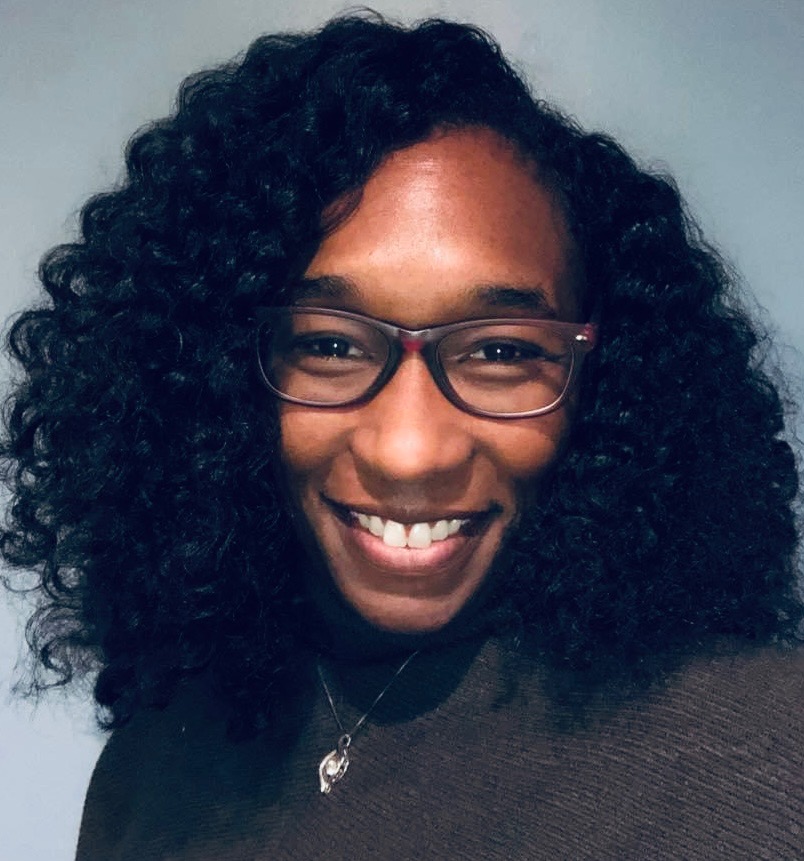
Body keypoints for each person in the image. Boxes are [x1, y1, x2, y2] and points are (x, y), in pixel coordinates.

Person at [2, 13, 803, 860]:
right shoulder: (158, 761)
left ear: (609, 387)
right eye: (330, 344)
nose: (409, 451)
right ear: (211, 375)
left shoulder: (762, 763)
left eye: (500, 351)